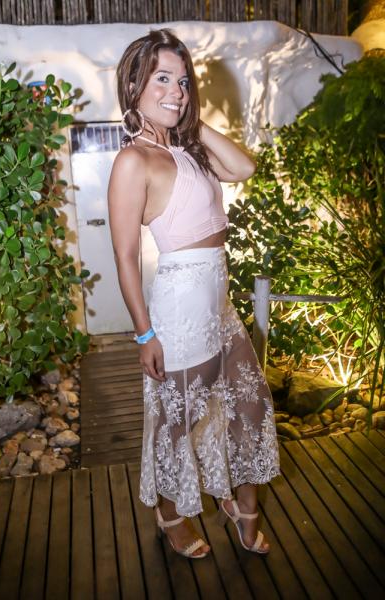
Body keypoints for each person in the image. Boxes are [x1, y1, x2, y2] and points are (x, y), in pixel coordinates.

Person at [108, 28, 280, 559]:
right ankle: (170, 514)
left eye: (182, 82)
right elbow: (126, 257)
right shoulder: (133, 162)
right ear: (134, 84)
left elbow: (244, 168)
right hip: (180, 311)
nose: (176, 91)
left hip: (218, 304)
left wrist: (188, 120)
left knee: (248, 405)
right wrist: (145, 334)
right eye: (162, 79)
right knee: (177, 425)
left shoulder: (189, 149)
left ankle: (239, 504)